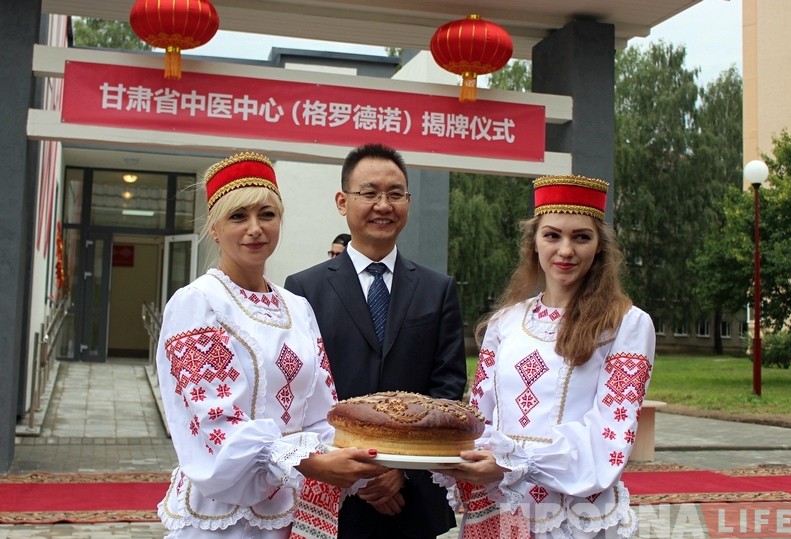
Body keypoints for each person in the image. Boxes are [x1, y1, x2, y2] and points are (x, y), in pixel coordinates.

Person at [155, 151, 386, 538]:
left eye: (267, 215)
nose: (255, 229)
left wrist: (360, 457)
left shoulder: (296, 307)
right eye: (238, 216)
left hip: (293, 509)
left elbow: (321, 412)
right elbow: (216, 424)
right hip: (224, 515)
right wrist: (308, 463)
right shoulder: (199, 303)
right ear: (214, 227)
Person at [435, 175, 656, 538]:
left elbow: (610, 434)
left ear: (599, 247)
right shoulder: (505, 322)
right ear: (533, 243)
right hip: (500, 504)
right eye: (552, 235)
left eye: (581, 237)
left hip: (574, 514)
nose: (565, 250)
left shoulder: (625, 324)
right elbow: (480, 417)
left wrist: (515, 463)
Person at [284, 143, 467, 539]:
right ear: (342, 201)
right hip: (332, 491)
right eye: (369, 193)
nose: (383, 205)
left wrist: (401, 468)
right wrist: (358, 472)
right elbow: (300, 390)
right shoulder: (303, 290)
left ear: (408, 202)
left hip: (412, 497)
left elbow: (448, 387)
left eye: (395, 194)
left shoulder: (437, 289)